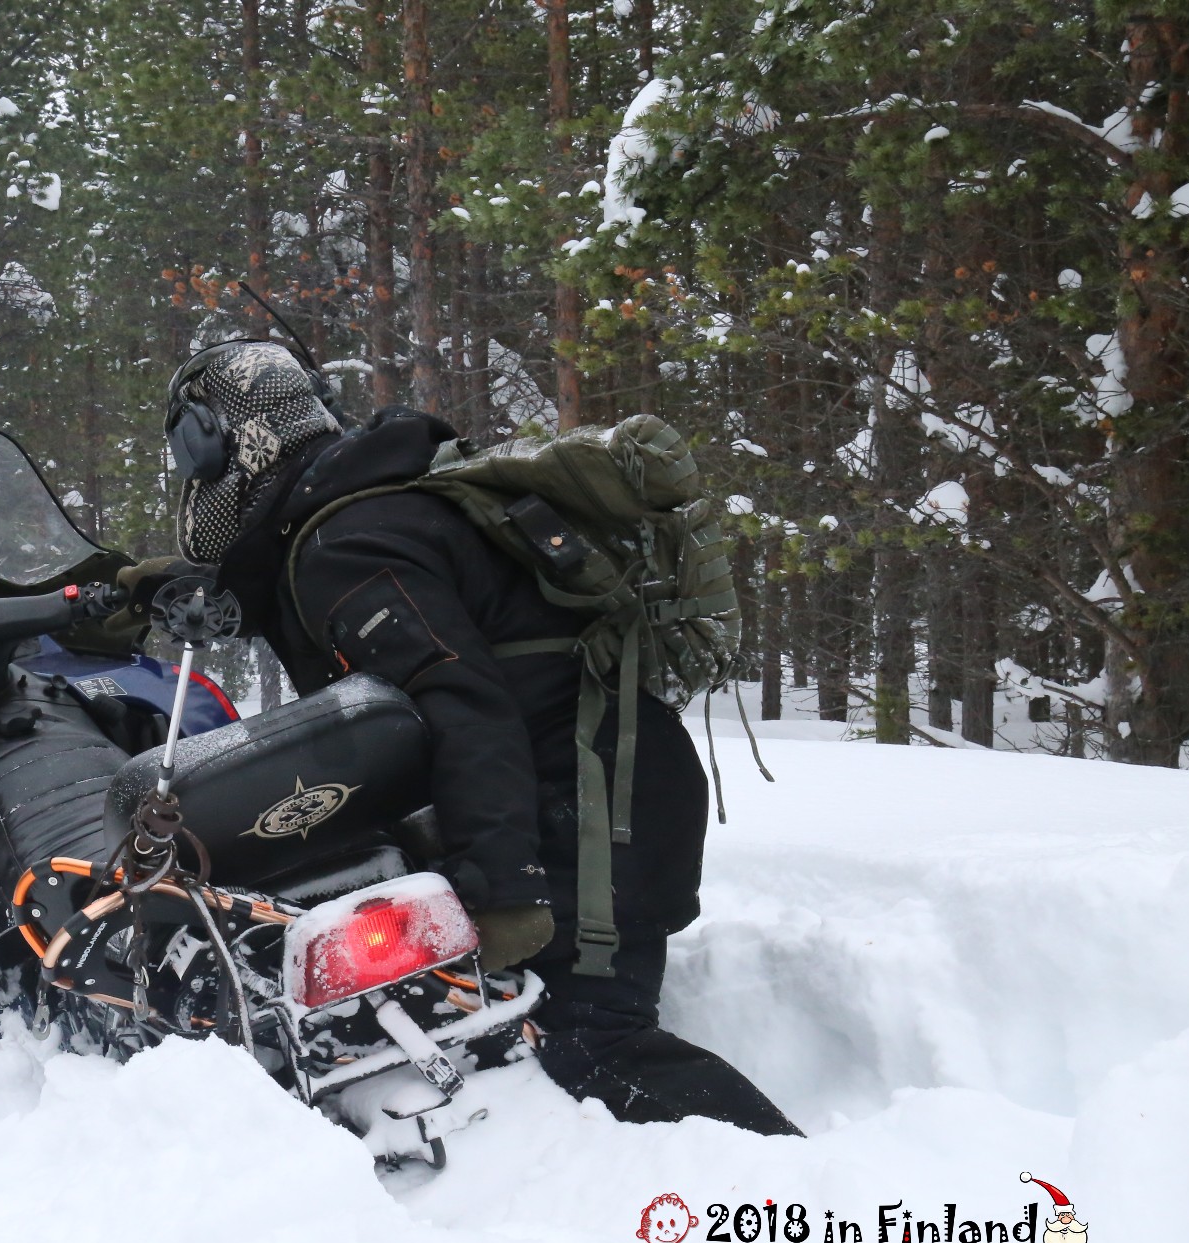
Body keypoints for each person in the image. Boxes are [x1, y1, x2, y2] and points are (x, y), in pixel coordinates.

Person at [157, 338, 798, 1135]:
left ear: (226, 440)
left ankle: (801, 1200)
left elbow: (461, 702)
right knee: (527, 1042)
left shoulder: (344, 544)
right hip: (593, 787)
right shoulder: (363, 513)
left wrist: (505, 885)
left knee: (591, 1045)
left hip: (592, 808)